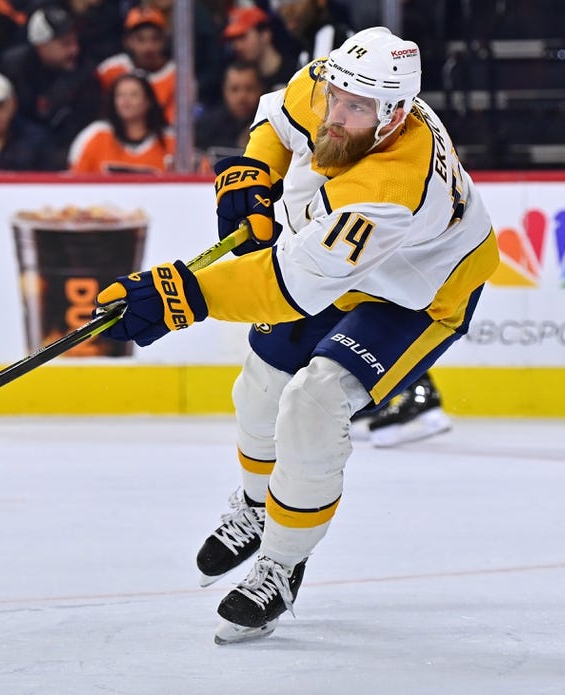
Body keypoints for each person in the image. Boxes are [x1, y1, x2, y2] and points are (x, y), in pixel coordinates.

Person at [92, 27, 498, 643]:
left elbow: (291, 285)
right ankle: (256, 506)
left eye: (356, 109)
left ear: (395, 116)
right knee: (259, 385)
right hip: (334, 264)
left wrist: (183, 296)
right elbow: (280, 120)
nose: (335, 116)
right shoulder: (339, 86)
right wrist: (254, 172)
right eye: (336, 96)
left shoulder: (391, 188)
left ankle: (281, 563)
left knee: (314, 401)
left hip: (416, 295)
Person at [0, 5, 100, 167]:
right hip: (21, 154)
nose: (74, 49)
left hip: (68, 154)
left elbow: (85, 126)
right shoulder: (14, 69)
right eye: (65, 43)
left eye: (75, 41)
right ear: (41, 46)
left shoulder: (85, 72)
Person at [67, 71, 174, 174]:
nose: (126, 100)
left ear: (148, 102)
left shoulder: (171, 141)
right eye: (120, 95)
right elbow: (76, 179)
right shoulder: (95, 135)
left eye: (134, 95)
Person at [96, 6, 175, 123]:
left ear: (164, 41)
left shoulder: (178, 76)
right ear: (128, 41)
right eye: (140, 39)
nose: (148, 47)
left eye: (155, 39)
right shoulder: (110, 70)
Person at [195, 60, 263, 159]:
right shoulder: (206, 126)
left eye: (249, 88)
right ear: (224, 91)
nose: (242, 97)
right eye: (234, 89)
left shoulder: (270, 124)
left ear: (261, 89)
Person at [222, 5, 296, 92]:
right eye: (233, 40)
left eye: (242, 37)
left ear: (265, 35)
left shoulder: (295, 71)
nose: (237, 46)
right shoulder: (237, 77)